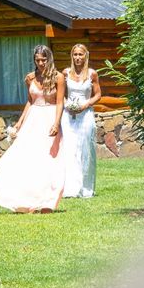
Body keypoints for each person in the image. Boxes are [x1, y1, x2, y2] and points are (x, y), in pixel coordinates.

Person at [0, 45, 65, 213]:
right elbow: (30, 102)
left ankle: (48, 202)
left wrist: (56, 123)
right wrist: (20, 122)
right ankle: (25, 199)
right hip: (33, 120)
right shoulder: (30, 78)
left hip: (50, 118)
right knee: (26, 158)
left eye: (43, 60)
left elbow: (60, 102)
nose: (40, 63)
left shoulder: (59, 78)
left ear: (49, 59)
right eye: (37, 60)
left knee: (50, 160)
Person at [61, 44, 101, 197]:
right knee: (69, 149)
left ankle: (86, 188)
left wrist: (86, 104)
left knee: (85, 150)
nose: (78, 58)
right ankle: (69, 189)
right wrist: (67, 105)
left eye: (80, 55)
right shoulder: (65, 73)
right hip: (68, 116)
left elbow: (98, 95)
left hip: (85, 115)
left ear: (86, 56)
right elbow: (61, 94)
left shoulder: (92, 74)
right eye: (75, 55)